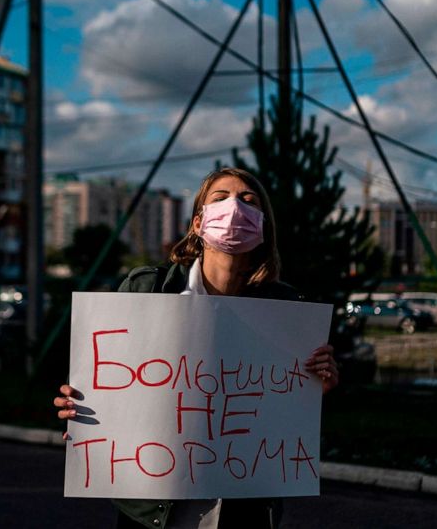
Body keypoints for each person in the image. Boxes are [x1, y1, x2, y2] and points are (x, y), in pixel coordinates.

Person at [54, 168, 339, 529]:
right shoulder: (150, 291)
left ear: (263, 226)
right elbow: (102, 379)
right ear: (197, 223)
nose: (235, 208)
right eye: (220, 198)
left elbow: (283, 413)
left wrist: (317, 386)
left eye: (249, 201)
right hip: (153, 511)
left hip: (242, 510)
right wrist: (78, 406)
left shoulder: (285, 312)